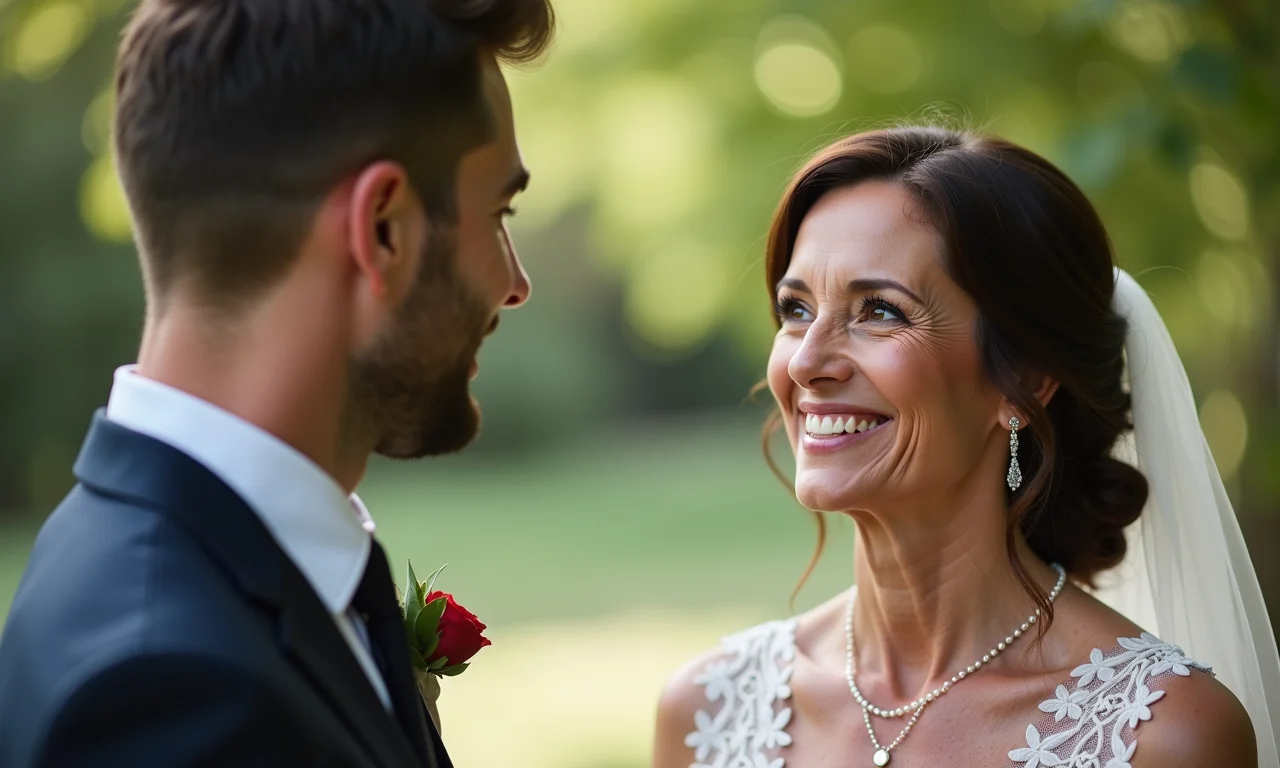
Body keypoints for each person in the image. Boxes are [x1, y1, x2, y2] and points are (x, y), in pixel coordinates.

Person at [0, 0, 553, 765]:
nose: (515, 283)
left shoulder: (166, 556)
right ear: (382, 229)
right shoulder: (169, 694)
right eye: (499, 211)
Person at [652, 126, 1280, 768]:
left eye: (880, 311)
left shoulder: (1163, 735)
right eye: (796, 309)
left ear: (1025, 380)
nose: (808, 361)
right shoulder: (708, 712)